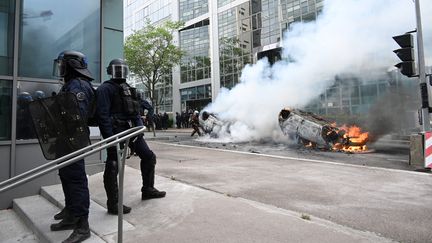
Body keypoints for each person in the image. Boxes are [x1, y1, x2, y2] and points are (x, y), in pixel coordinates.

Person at [96, 58, 166, 215]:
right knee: (113, 165)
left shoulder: (129, 89)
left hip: (132, 132)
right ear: (110, 71)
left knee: (149, 157)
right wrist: (110, 138)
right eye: (117, 69)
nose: (120, 72)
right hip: (116, 132)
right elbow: (103, 116)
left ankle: (148, 189)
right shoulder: (104, 89)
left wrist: (139, 130)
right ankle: (113, 204)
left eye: (122, 69)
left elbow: (135, 111)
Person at [50, 50, 94, 243]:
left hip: (73, 141)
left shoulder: (78, 86)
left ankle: (83, 226)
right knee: (66, 177)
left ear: (71, 65)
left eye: (62, 64)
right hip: (65, 140)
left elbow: (77, 116)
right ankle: (70, 214)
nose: (60, 67)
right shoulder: (70, 85)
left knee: (76, 180)